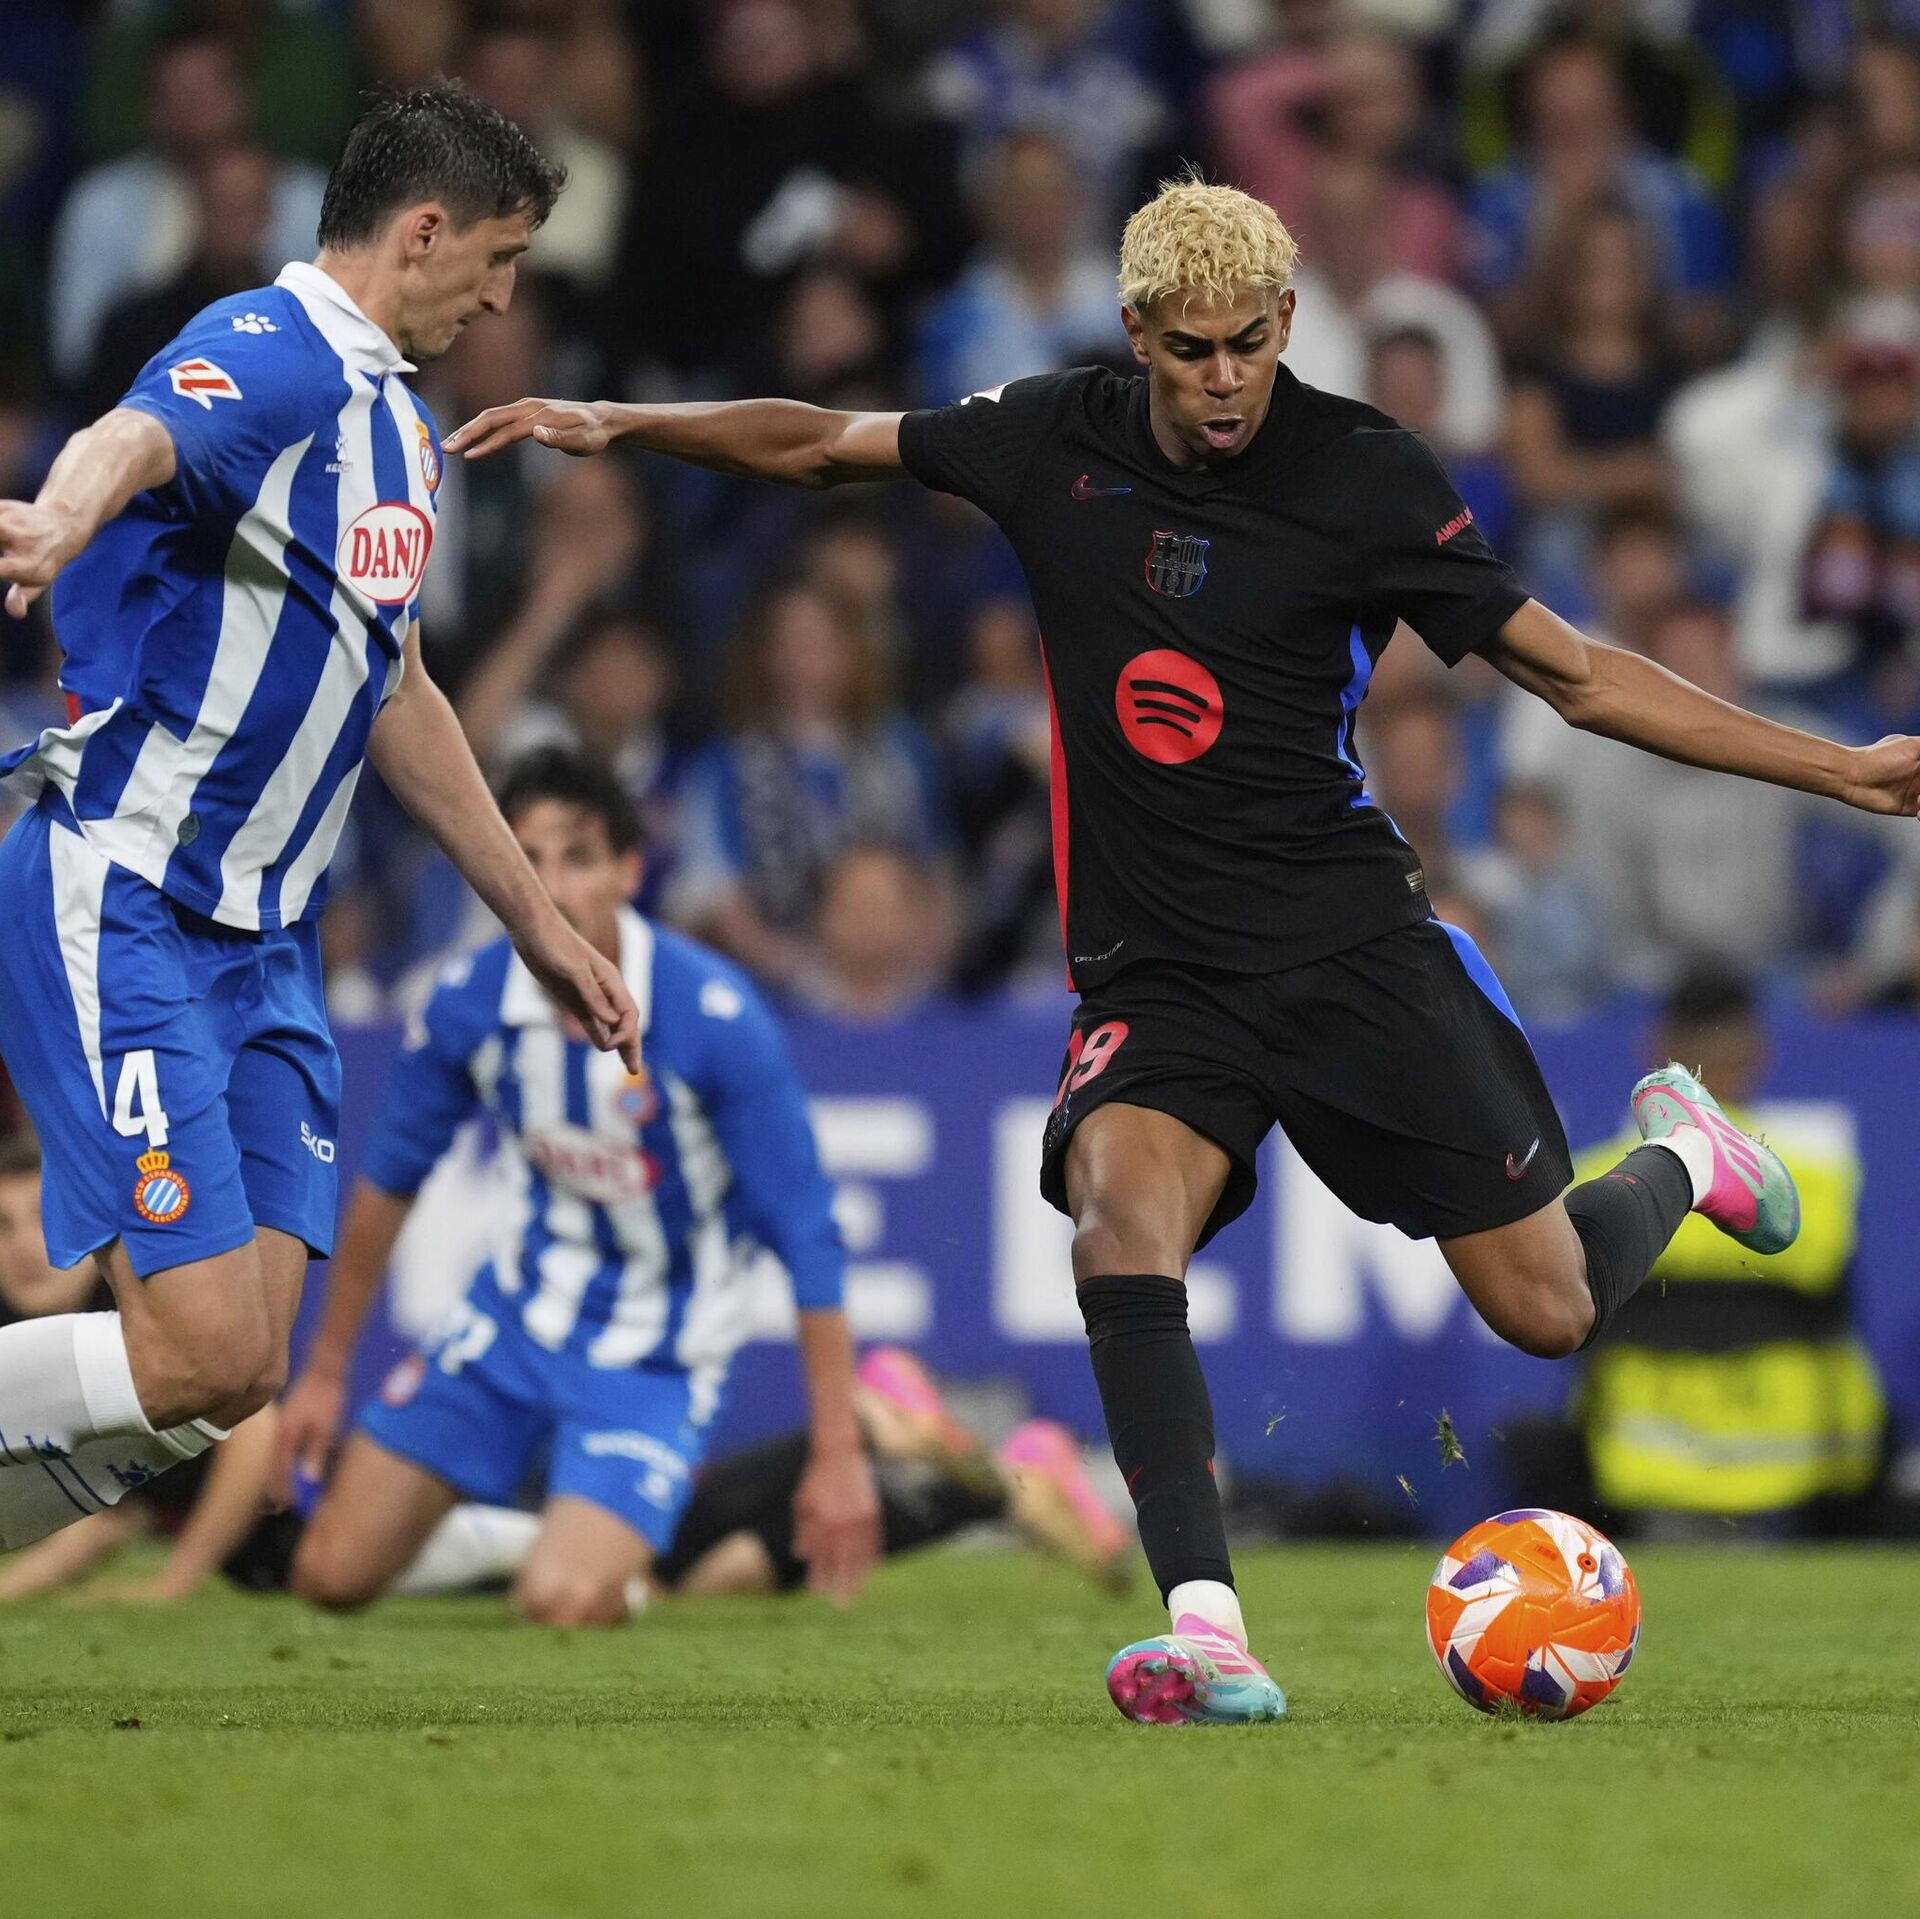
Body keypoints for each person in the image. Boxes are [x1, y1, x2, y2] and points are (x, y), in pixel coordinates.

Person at [443, 175, 1920, 1725]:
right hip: (1159, 970)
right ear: (1138, 333)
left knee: (1545, 1306)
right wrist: (619, 421)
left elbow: (1580, 677)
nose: (1224, 379)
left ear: (1286, 321)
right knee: (1117, 1223)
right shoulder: (1053, 437)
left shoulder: (1365, 473)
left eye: (1249, 345)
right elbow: (823, 443)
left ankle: (1682, 1152)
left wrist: (1840, 767)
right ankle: (1208, 1628)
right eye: (1192, 349)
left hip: (1349, 943)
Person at [0, 86, 641, 1561]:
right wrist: (59, 514)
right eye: (499, 257)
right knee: (198, 1349)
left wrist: (539, 923)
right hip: (129, 888)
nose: (504, 297)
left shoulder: (401, 434)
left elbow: (394, 689)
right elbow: (134, 434)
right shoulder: (274, 347)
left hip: (266, 942)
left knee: (239, 1370)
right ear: (423, 231)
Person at [280, 748, 879, 1626]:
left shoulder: (712, 1015)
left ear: (630, 871)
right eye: (527, 858)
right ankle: (557, 1537)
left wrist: (837, 1449)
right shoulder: (467, 1001)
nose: (552, 886)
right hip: (514, 1320)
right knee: (327, 1574)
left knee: (562, 1602)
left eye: (580, 857)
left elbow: (807, 1231)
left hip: (657, 1353)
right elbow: (388, 1181)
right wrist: (325, 1372)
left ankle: (599, 1549)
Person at [1570, 969, 1885, 1529]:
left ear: (1653, 1054)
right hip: (1794, 1467)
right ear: (1757, 1055)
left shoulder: (1594, 1183)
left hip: (1640, 1462)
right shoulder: (1817, 1186)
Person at [0, 1130, 286, 1604]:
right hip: (244, 1568)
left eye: (44, 1217)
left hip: (314, 1525)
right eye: (2, 1226)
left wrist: (175, 1582)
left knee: (340, 1569)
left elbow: (255, 1423)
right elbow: (112, 1518)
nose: (24, 1246)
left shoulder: (150, 1299)